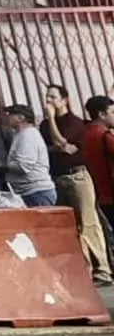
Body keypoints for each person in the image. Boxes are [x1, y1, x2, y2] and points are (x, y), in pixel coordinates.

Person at [40, 84, 112, 283]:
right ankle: (85, 269)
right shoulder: (44, 126)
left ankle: (102, 269)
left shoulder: (75, 123)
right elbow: (52, 148)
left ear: (64, 100)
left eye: (53, 97)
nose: (48, 102)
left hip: (78, 176)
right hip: (58, 177)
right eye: (47, 97)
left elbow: (63, 145)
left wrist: (53, 120)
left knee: (89, 223)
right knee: (71, 225)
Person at [0, 104, 57, 208]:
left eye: (11, 114)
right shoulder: (21, 134)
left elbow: (23, 166)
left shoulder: (28, 135)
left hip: (36, 193)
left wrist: (2, 166)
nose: (8, 117)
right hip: (30, 192)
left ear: (21, 117)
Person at [83, 96, 114, 255]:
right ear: (102, 114)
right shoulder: (104, 135)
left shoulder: (87, 133)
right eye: (112, 112)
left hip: (101, 194)